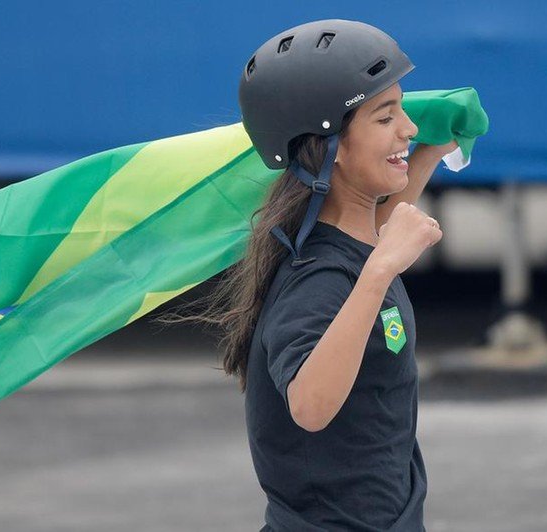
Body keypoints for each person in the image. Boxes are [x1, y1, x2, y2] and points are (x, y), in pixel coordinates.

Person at [157, 18, 453, 531]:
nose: (407, 126)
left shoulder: (351, 246)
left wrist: (428, 154)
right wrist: (382, 270)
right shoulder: (317, 279)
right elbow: (311, 406)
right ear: (329, 146)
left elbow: (367, 235)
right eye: (386, 118)